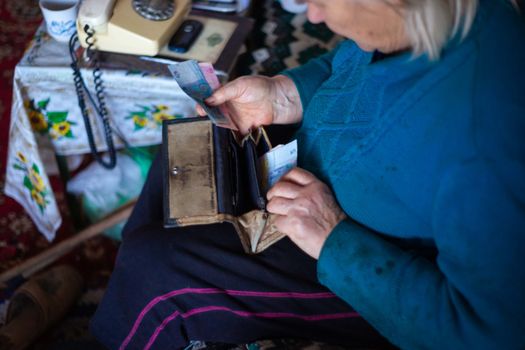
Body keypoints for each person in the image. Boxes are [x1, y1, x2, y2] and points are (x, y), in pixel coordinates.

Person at [91, 0, 525, 349]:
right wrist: (284, 95)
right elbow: (349, 64)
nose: (311, 14)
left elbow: (487, 333)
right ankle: (125, 288)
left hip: (371, 261)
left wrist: (332, 237)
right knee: (188, 152)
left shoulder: (485, 142)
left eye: (320, 1)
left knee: (159, 279)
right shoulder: (439, 16)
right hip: (317, 180)